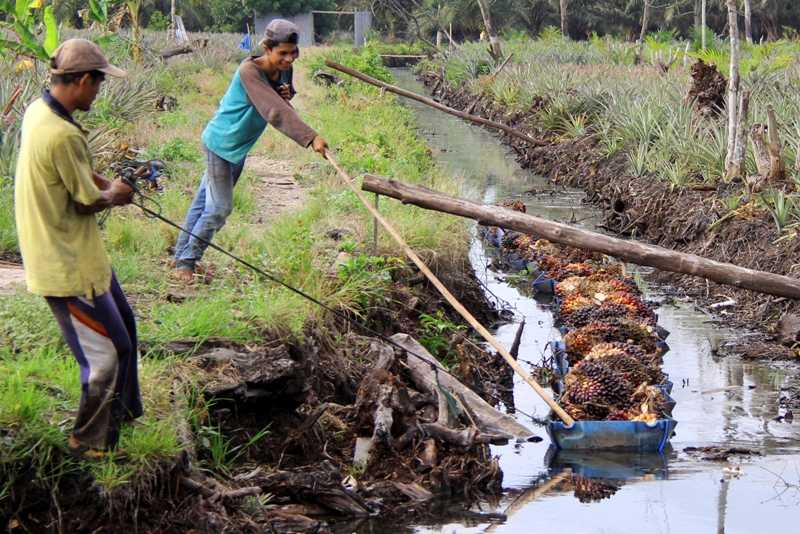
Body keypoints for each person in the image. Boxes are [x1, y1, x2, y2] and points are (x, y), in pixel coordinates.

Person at [14, 39, 143, 459]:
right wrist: (116, 195)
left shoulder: (40, 111)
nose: (99, 93)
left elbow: (74, 174)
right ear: (83, 80)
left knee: (126, 327)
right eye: (99, 85)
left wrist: (105, 181)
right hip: (65, 264)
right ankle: (87, 442)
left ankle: (120, 418)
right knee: (107, 355)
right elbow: (85, 200)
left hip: (81, 254)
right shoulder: (64, 133)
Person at [173, 19, 329, 282]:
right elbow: (274, 110)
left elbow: (284, 99)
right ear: (267, 48)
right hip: (221, 144)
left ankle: (180, 257)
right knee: (218, 208)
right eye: (283, 53)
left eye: (294, 52)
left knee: (203, 203)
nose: (289, 59)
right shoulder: (249, 71)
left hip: (239, 147)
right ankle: (186, 264)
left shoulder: (284, 69)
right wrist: (310, 137)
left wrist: (286, 94)